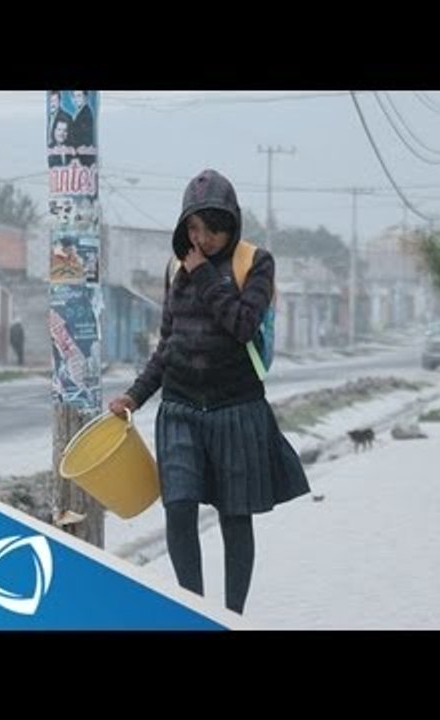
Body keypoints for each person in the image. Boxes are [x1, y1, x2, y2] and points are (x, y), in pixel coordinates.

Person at [108, 168, 310, 614]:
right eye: (194, 228)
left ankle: (231, 617)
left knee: (234, 516)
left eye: (213, 229)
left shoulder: (256, 263)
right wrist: (135, 396)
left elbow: (242, 324)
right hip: (180, 408)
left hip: (236, 408)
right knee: (178, 508)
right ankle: (194, 612)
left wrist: (202, 274)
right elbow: (168, 344)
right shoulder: (175, 267)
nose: (203, 239)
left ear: (231, 223)